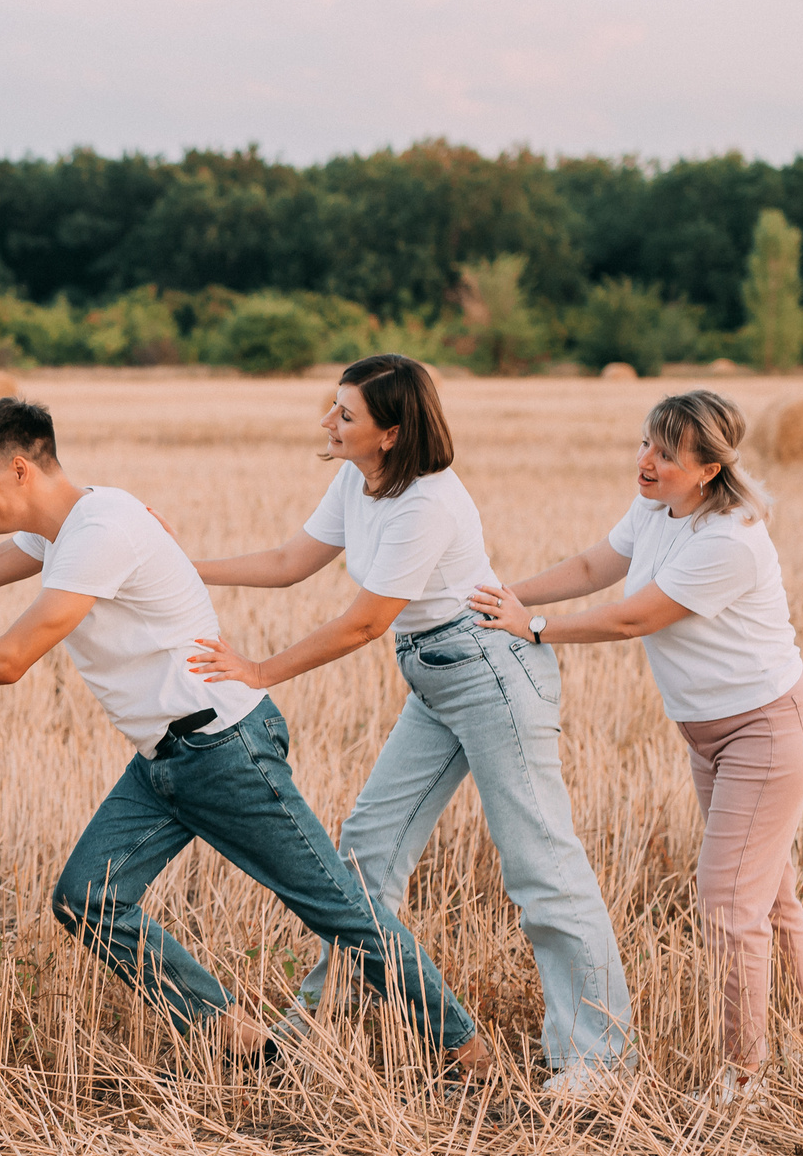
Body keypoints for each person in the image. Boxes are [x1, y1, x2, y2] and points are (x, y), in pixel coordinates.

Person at [0, 397, 493, 1079]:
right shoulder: (62, 527)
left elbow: (10, 660)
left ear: (22, 469)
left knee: (337, 909)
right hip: (165, 760)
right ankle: (234, 1036)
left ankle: (464, 1048)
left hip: (224, 749)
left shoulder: (102, 530)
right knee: (88, 900)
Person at [186, 354, 631, 1097]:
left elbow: (364, 622)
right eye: (333, 409)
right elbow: (290, 560)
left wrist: (261, 671)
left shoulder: (426, 503)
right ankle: (316, 1025)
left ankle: (600, 1060)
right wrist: (179, 565)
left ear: (390, 433)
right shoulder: (357, 480)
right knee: (364, 854)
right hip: (434, 672)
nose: (329, 423)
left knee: (540, 866)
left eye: (346, 415)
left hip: (488, 674)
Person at [472, 391, 803, 1105]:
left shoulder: (729, 539)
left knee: (727, 904)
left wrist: (530, 626)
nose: (646, 462)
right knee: (769, 896)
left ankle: (745, 1077)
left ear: (709, 468)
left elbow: (634, 617)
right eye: (644, 444)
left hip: (767, 731)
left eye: (665, 453)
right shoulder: (659, 509)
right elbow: (594, 565)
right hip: (710, 733)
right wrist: (502, 595)